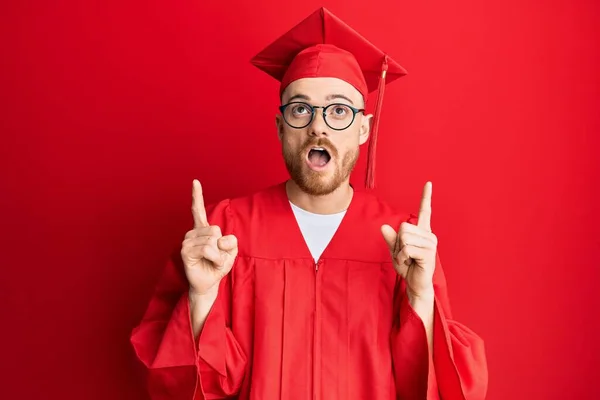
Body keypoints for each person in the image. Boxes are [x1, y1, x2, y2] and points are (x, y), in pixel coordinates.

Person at [130, 7, 488, 400]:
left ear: (363, 129)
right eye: (301, 109)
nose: (318, 125)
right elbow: (183, 386)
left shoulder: (407, 243)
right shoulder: (225, 231)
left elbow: (433, 388)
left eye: (338, 111)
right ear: (281, 126)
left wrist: (422, 299)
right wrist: (201, 299)